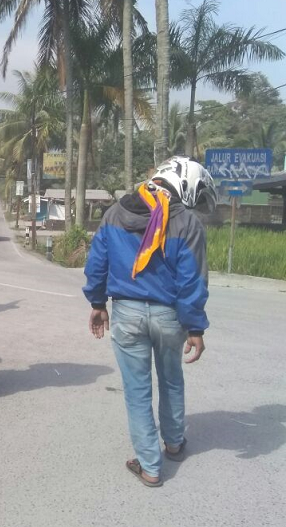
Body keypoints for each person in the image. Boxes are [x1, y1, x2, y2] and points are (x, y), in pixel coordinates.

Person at [83, 156, 217, 487]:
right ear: (185, 185)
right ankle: (173, 443)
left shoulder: (115, 212)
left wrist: (98, 303)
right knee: (171, 379)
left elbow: (97, 262)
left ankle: (149, 465)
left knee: (137, 390)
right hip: (170, 316)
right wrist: (195, 327)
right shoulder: (186, 222)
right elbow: (192, 282)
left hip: (126, 314)